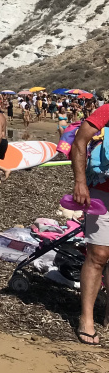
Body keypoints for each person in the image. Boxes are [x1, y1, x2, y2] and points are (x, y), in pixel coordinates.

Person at [68, 102, 109, 345]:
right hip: (102, 191)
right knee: (98, 254)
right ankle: (86, 318)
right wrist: (80, 182)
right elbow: (80, 141)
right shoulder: (106, 110)